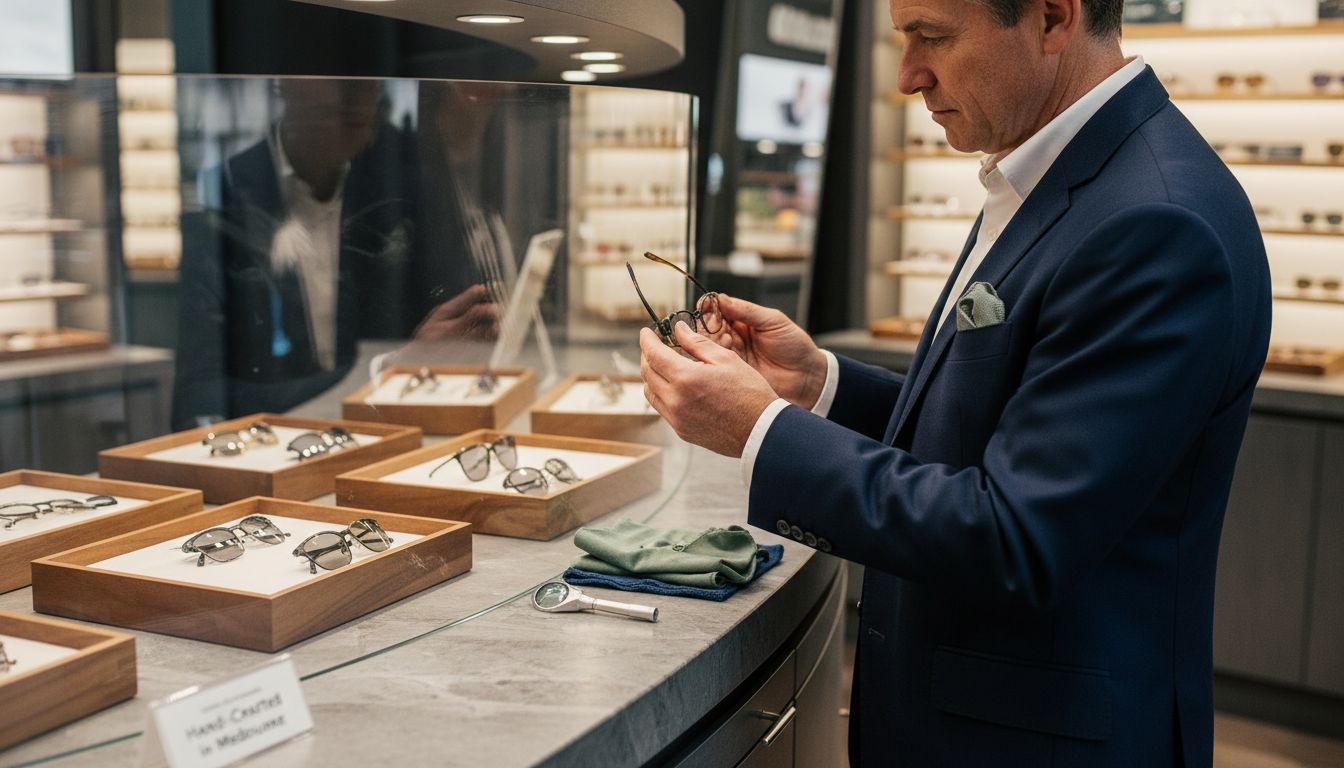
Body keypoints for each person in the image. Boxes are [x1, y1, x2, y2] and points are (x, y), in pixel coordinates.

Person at [639, 0, 1271, 765]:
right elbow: (991, 426)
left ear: (1051, 17)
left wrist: (760, 431)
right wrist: (817, 388)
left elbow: (1017, 538)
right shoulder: (1056, 172)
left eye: (932, 37)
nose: (908, 75)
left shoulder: (1156, 223)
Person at [173, 78, 496, 428]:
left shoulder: (398, 178)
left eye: (366, 74)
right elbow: (199, 400)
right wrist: (386, 371)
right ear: (282, 81)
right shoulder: (225, 194)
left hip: (386, 440)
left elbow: (438, 336)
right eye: (330, 71)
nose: (355, 88)